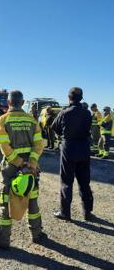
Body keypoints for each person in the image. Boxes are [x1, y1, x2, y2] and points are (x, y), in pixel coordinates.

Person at [0, 90, 45, 249]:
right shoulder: (32, 120)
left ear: (8, 102)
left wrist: (18, 162)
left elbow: (3, 145)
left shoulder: (3, 119)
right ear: (23, 101)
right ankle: (37, 234)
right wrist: (31, 163)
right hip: (31, 167)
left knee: (5, 200)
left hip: (10, 167)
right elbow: (39, 144)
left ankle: (2, 240)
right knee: (32, 197)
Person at [52, 87, 93, 221]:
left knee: (66, 181)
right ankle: (87, 212)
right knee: (84, 181)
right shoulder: (87, 113)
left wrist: (65, 136)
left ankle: (65, 212)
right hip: (83, 147)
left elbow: (54, 127)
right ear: (81, 98)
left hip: (68, 148)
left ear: (69, 98)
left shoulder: (64, 113)